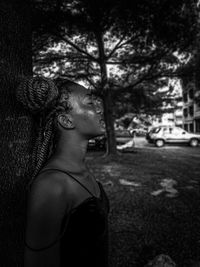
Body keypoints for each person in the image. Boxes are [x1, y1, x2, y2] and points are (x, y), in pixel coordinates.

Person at [17, 77, 110, 267]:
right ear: (66, 120)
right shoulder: (52, 185)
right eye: (90, 103)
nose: (100, 109)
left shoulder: (80, 168)